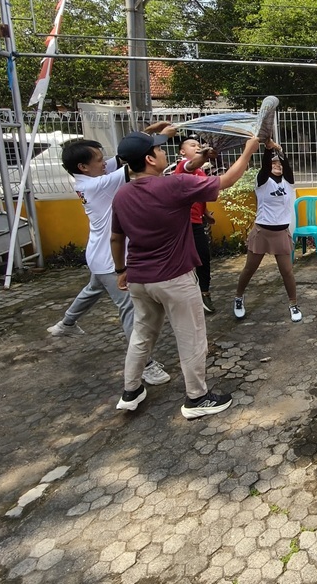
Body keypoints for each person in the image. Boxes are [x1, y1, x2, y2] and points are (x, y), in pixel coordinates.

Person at [111, 130, 259, 419]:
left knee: (142, 334)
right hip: (174, 278)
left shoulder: (123, 193)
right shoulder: (172, 186)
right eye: (159, 149)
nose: (164, 152)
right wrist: (249, 150)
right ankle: (197, 398)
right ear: (150, 158)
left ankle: (130, 391)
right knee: (191, 337)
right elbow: (226, 181)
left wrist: (121, 270)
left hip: (139, 279)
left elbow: (117, 238)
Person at [48, 127, 174, 388]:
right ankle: (146, 365)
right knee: (131, 310)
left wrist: (147, 132)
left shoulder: (85, 178)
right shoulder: (99, 184)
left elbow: (120, 156)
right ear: (83, 166)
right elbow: (136, 160)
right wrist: (159, 141)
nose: (104, 163)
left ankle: (66, 323)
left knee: (92, 289)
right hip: (109, 260)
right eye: (98, 160)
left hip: (97, 255)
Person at [233, 140, 302, 323]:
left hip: (281, 234)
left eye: (279, 164)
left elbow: (286, 166)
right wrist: (268, 147)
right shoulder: (262, 182)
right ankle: (239, 298)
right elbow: (264, 166)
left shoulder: (288, 183)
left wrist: (278, 150)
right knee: (249, 269)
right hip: (262, 233)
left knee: (287, 272)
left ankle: (293, 304)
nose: (277, 166)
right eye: (274, 164)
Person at [173, 137, 217, 314]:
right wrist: (205, 155)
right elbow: (190, 166)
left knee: (202, 257)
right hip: (183, 222)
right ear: (182, 152)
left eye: (199, 145)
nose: (197, 147)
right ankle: (189, 297)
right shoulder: (183, 166)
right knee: (189, 260)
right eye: (193, 146)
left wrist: (205, 214)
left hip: (197, 220)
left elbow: (201, 196)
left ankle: (203, 292)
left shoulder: (200, 170)